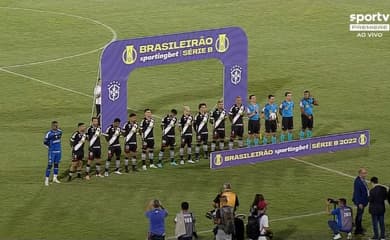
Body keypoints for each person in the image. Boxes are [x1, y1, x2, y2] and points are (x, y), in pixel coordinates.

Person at [43, 121, 62, 186]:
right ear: (52, 126)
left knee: (56, 164)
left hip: (58, 151)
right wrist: (49, 148)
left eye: (57, 125)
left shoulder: (60, 131)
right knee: (50, 165)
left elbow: (59, 139)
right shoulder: (49, 134)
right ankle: (46, 179)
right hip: (52, 152)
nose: (56, 126)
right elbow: (45, 142)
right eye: (55, 125)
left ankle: (55, 178)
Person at [352, 167, 369, 235]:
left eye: (365, 173)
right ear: (360, 173)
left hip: (363, 201)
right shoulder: (358, 182)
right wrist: (359, 203)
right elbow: (357, 193)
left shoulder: (361, 179)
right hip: (361, 202)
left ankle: (359, 228)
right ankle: (358, 230)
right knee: (359, 215)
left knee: (359, 215)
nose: (365, 174)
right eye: (364, 173)